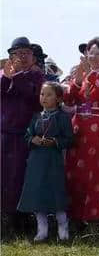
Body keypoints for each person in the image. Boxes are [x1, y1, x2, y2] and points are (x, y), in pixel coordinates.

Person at [63, 36, 99, 222]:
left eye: (98, 53)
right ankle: (75, 214)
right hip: (79, 126)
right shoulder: (80, 73)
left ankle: (98, 215)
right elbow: (69, 100)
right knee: (76, 168)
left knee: (98, 169)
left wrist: (92, 75)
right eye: (90, 52)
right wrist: (77, 81)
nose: (93, 56)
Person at [17, 82, 73, 242]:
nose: (44, 98)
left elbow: (69, 139)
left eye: (49, 94)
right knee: (37, 192)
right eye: (42, 94)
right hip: (36, 161)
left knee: (56, 191)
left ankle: (63, 225)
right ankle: (42, 229)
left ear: (58, 98)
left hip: (53, 161)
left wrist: (55, 142)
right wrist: (32, 139)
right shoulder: (36, 116)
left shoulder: (63, 117)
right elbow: (28, 134)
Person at [1, 37, 45, 233]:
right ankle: (8, 218)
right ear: (10, 57)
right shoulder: (4, 75)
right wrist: (7, 78)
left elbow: (36, 100)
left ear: (33, 57)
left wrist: (17, 77)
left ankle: (23, 218)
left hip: (25, 134)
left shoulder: (36, 77)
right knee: (5, 177)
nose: (23, 57)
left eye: (27, 54)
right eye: (18, 54)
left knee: (22, 177)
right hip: (5, 133)